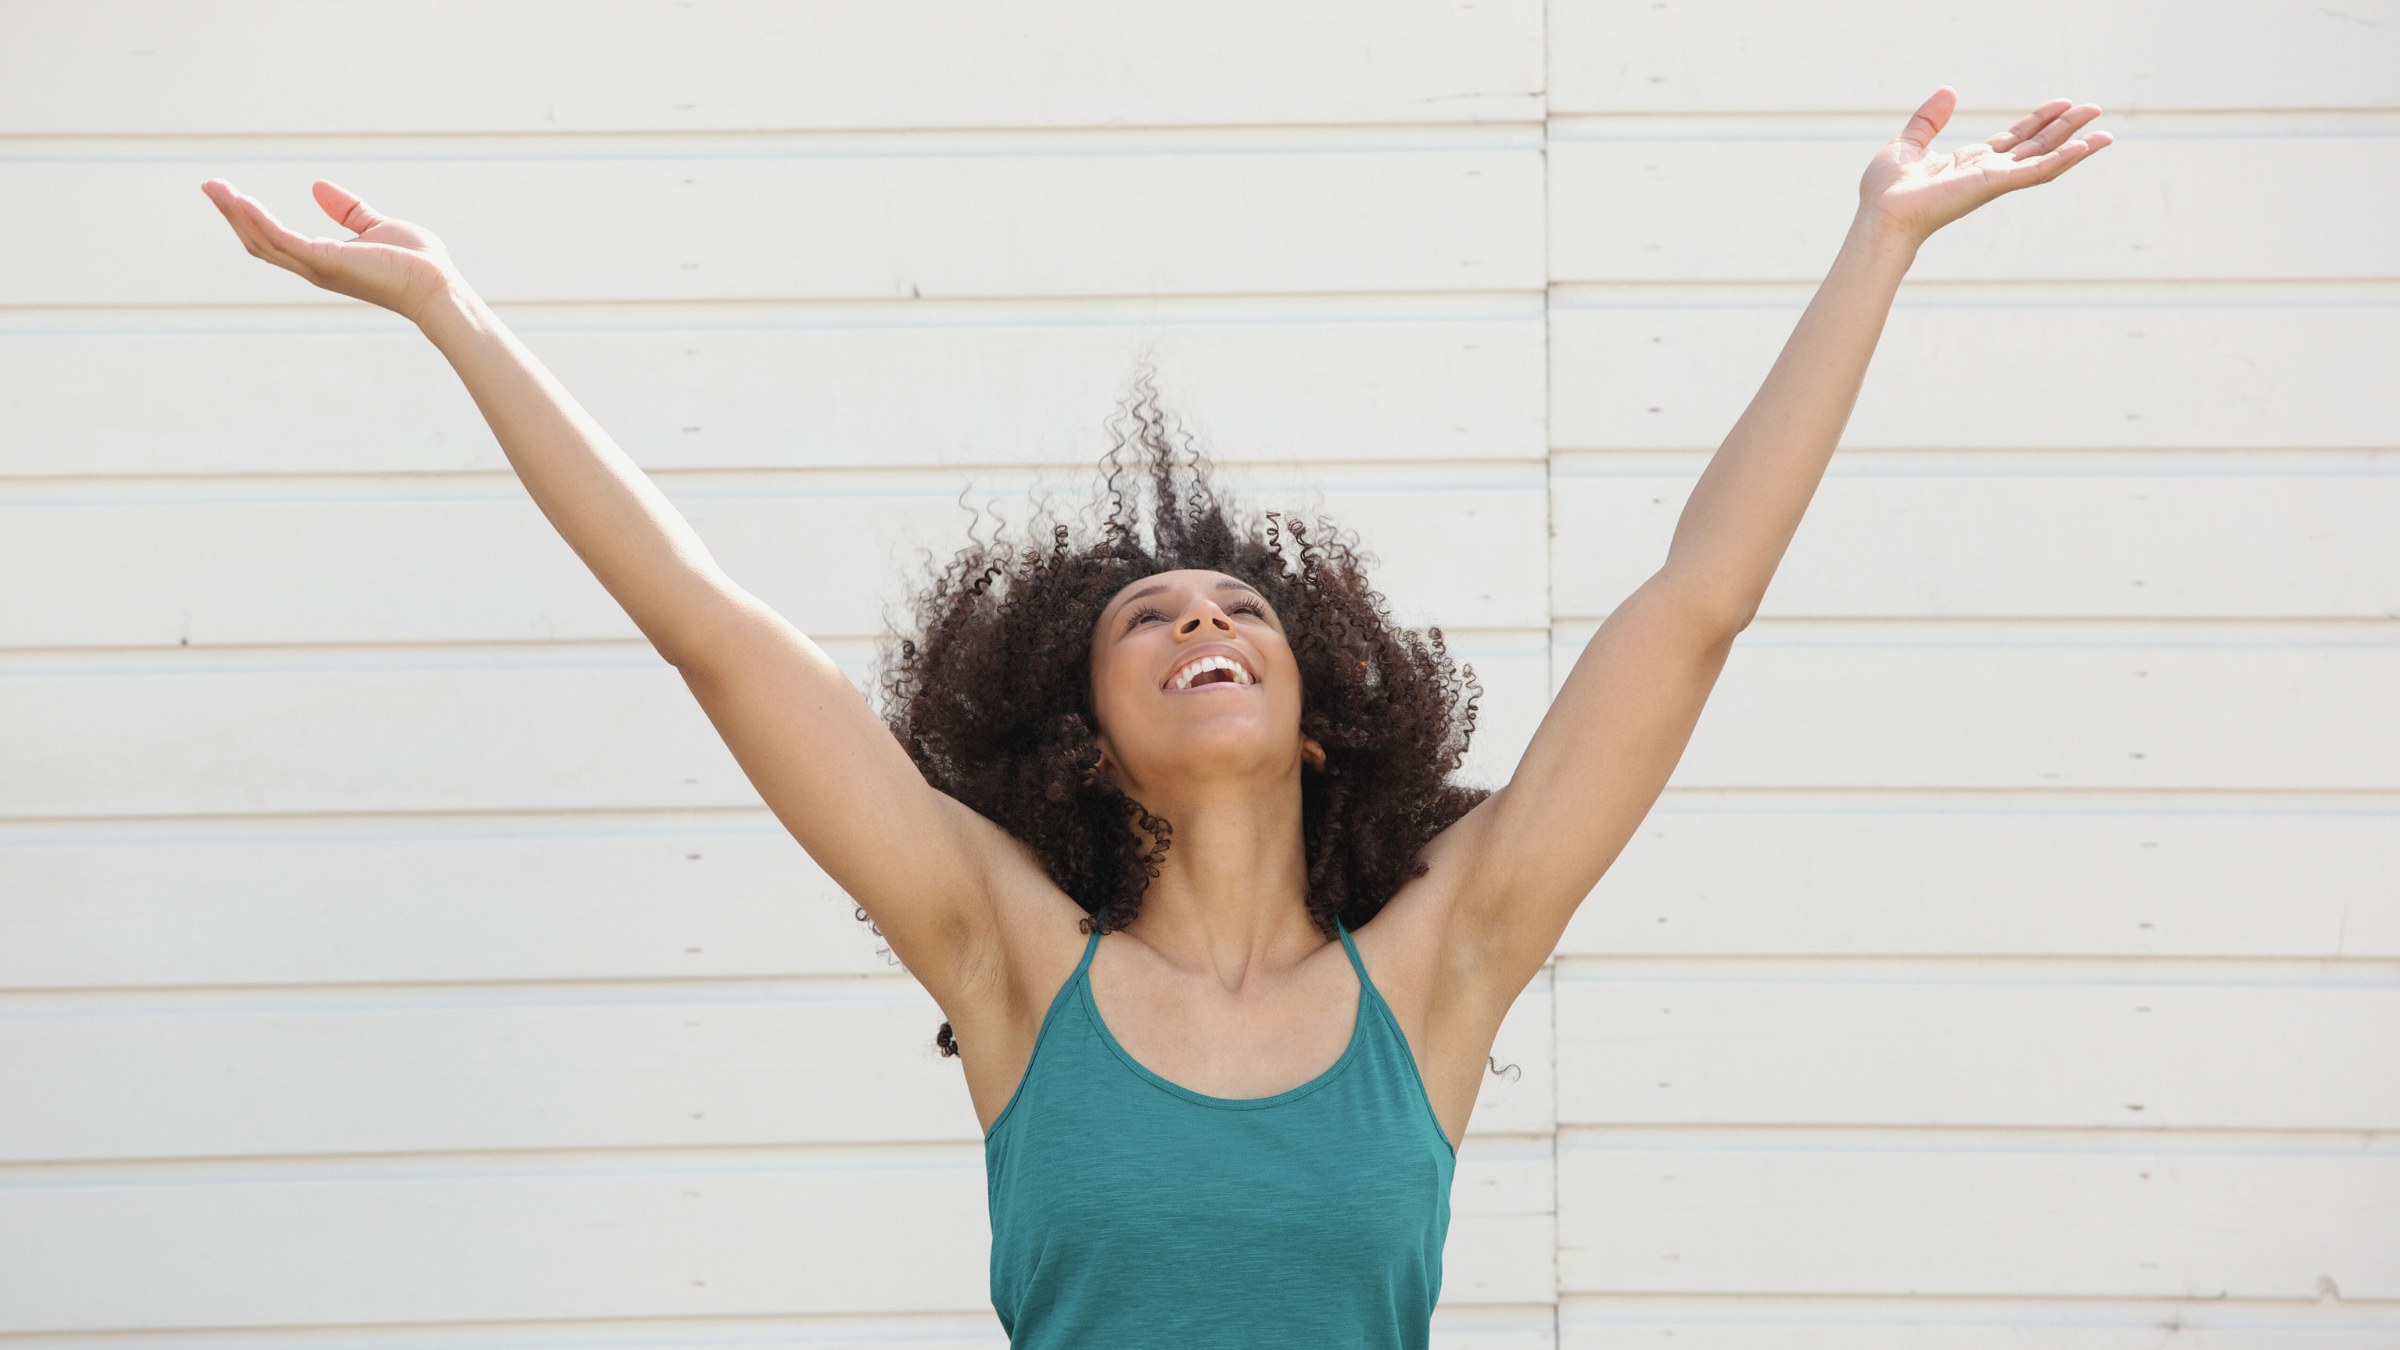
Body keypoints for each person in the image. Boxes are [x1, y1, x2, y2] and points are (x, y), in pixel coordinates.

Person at [203, 86, 2109, 1349]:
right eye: (1150, 615)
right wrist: (458, 316)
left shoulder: (1440, 968)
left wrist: (1879, 244)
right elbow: (711, 630)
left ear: (1313, 711)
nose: (1206, 613)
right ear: (1081, 732)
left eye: (1243, 608)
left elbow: (1695, 607)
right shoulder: (1010, 960)